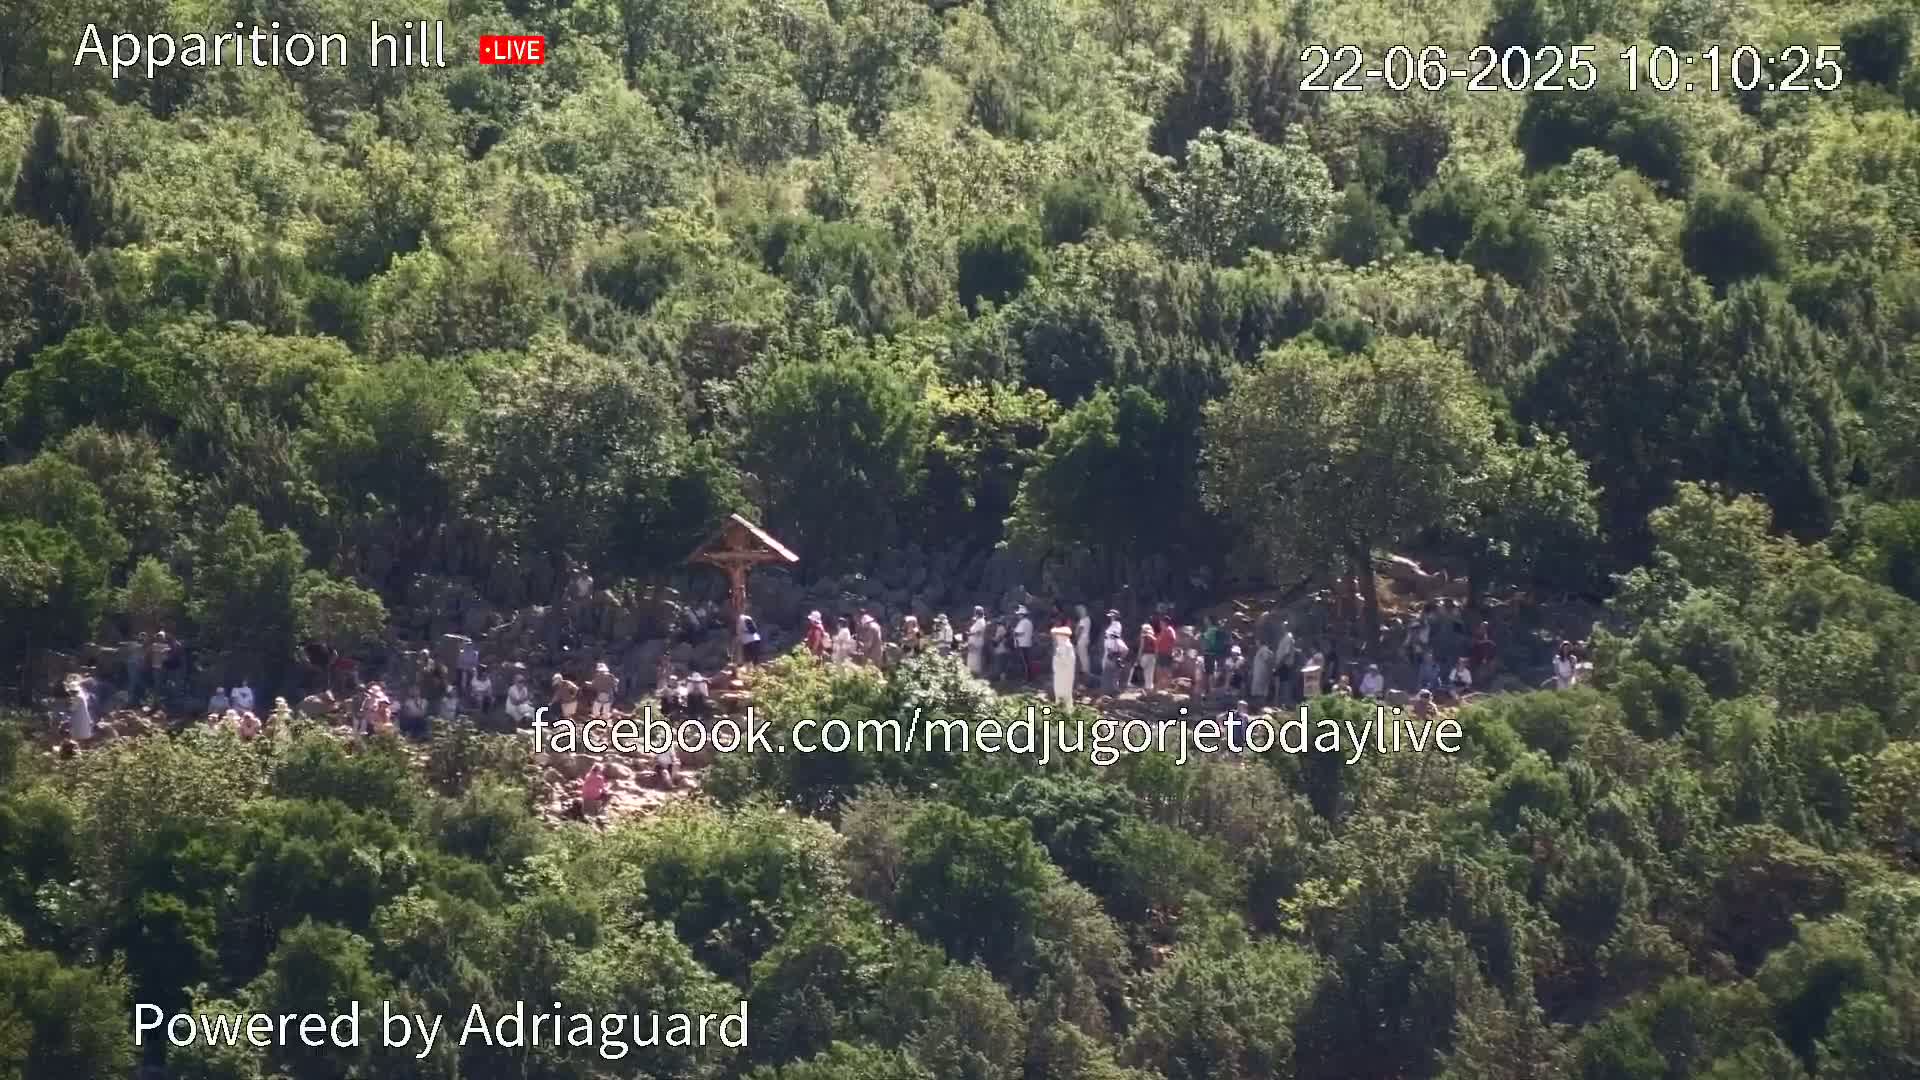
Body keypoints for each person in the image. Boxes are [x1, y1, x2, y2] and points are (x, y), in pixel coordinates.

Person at [1049, 619, 1076, 707]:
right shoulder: (1063, 647)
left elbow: (1064, 662)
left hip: (1063, 674)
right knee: (1060, 691)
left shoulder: (1066, 647)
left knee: (1064, 691)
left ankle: (1064, 708)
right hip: (1060, 674)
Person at [1103, 617, 1130, 693]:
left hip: (1114, 658)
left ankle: (1115, 691)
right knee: (1109, 676)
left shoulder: (1117, 640)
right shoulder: (1109, 641)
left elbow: (1126, 650)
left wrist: (1120, 659)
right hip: (1110, 657)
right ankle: (1110, 690)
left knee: (1114, 676)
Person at [1012, 607, 1036, 682]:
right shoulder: (1029, 622)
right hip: (1027, 643)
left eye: (1019, 614)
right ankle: (1028, 678)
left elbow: (1019, 632)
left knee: (1024, 663)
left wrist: (1013, 631)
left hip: (1022, 644)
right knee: (1027, 661)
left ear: (1022, 615)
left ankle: (1027, 679)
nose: (1018, 616)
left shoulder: (1023, 622)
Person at [1153, 618, 1177, 691]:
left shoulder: (1169, 630)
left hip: (1166, 653)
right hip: (1161, 653)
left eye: (1161, 623)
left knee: (1164, 671)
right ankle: (1160, 687)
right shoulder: (1163, 631)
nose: (1160, 625)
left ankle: (1165, 687)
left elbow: (1173, 639)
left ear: (1165, 623)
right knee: (1159, 670)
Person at [966, 607, 988, 676]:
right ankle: (971, 672)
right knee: (971, 657)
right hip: (973, 641)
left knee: (975, 658)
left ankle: (975, 673)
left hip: (976, 642)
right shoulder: (977, 621)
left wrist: (970, 634)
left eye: (975, 612)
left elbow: (978, 632)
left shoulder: (981, 621)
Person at [1073, 605, 1092, 686]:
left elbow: (1079, 631)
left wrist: (1075, 640)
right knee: (1080, 657)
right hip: (1085, 639)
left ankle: (1085, 674)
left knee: (1082, 658)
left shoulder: (1083, 620)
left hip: (1081, 640)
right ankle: (1081, 673)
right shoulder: (1088, 619)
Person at [1250, 640, 1274, 704]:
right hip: (1259, 672)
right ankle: (1258, 704)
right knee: (1258, 689)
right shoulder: (1260, 649)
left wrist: (1269, 671)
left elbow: (1267, 659)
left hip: (1262, 673)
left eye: (1257, 641)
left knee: (1261, 690)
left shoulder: (1264, 649)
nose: (1256, 643)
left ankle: (1261, 704)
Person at [1137, 622, 1158, 692]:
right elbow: (1156, 648)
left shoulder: (1144, 636)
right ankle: (1149, 688)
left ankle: (1146, 687)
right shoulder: (1153, 637)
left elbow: (1141, 647)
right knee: (1150, 673)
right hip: (1153, 656)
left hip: (1145, 655)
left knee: (1146, 672)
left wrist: (1139, 657)